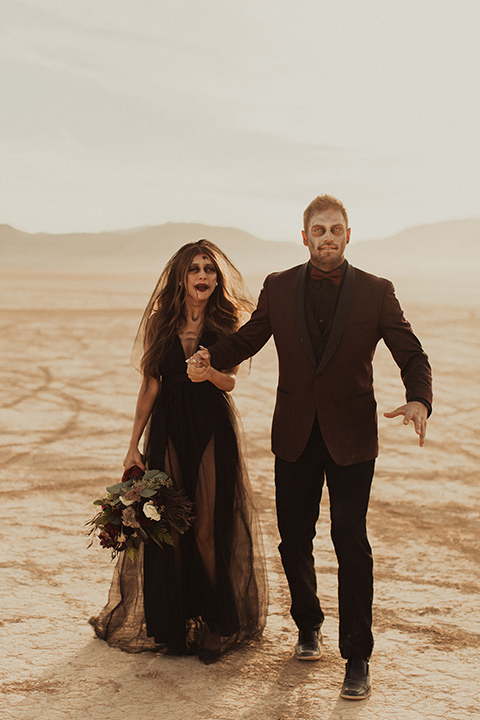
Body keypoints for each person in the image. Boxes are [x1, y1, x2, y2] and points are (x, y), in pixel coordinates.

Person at [187, 195, 432, 696]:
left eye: (335, 229)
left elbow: (411, 352)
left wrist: (419, 401)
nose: (327, 237)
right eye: (318, 229)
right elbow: (248, 339)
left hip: (353, 440)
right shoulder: (278, 287)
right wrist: (210, 355)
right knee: (294, 540)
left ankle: (357, 656)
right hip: (295, 436)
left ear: (348, 234)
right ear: (305, 237)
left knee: (351, 541)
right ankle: (307, 624)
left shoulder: (376, 291)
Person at [90, 239, 267, 663]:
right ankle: (173, 624)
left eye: (209, 269)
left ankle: (214, 622)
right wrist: (133, 445)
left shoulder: (226, 321)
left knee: (206, 528)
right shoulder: (160, 324)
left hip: (210, 427)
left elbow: (231, 382)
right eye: (194, 269)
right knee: (166, 528)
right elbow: (150, 384)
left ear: (216, 279)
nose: (203, 276)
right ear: (181, 278)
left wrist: (208, 374)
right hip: (168, 429)